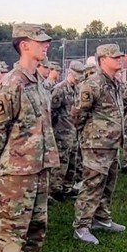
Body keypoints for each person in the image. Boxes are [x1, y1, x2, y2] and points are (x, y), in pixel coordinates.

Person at [0, 23, 60, 252]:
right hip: (17, 170)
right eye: (40, 41)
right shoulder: (11, 83)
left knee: (38, 222)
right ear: (24, 45)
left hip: (39, 165)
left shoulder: (38, 81)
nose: (46, 45)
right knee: (12, 225)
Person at [72, 44, 127, 245]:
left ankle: (101, 218)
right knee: (92, 185)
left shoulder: (115, 83)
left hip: (112, 143)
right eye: (115, 57)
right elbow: (78, 113)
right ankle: (81, 226)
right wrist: (89, 135)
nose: (119, 59)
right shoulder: (93, 84)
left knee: (108, 183)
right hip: (96, 145)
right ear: (103, 59)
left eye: (120, 56)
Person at [49, 60, 83, 201]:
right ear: (70, 73)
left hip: (72, 132)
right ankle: (55, 189)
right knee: (60, 163)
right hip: (61, 133)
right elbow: (51, 111)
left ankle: (67, 186)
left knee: (72, 161)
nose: (78, 79)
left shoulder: (76, 89)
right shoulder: (60, 89)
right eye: (77, 76)